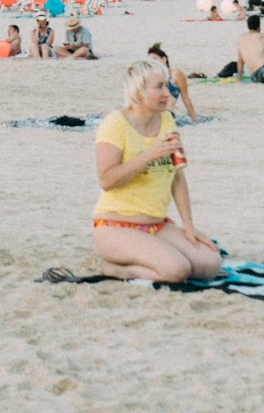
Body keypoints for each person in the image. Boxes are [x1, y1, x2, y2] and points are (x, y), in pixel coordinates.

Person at [91, 56, 222, 283]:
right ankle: (115, 269)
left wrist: (189, 226)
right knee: (177, 271)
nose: (168, 94)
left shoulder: (166, 122)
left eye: (167, 86)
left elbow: (177, 177)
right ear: (139, 92)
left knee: (210, 264)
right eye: (159, 87)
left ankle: (151, 256)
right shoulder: (115, 124)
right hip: (115, 227)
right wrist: (150, 154)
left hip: (155, 224)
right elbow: (107, 179)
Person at [147, 43, 198, 121]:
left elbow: (186, 98)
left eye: (154, 59)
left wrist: (195, 120)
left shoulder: (176, 74)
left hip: (167, 116)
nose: (152, 63)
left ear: (164, 59)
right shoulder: (149, 77)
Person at [235, 14, 264, 79]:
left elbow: (240, 60)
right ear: (259, 26)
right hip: (263, 69)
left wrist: (239, 76)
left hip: (254, 76)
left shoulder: (241, 38)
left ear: (248, 26)